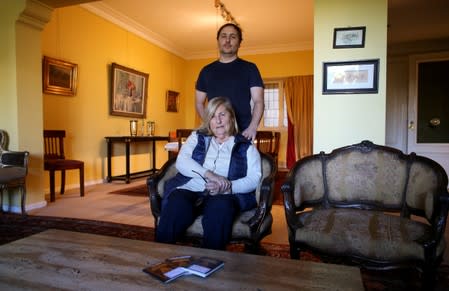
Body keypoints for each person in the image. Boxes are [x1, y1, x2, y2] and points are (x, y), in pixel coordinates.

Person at [156, 97, 262, 250]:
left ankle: (210, 261)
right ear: (208, 121)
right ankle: (160, 255)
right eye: (212, 116)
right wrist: (209, 174)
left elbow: (254, 178)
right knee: (176, 201)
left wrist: (228, 187)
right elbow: (182, 161)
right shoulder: (197, 137)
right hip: (192, 187)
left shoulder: (245, 146)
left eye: (222, 115)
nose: (217, 120)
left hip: (224, 194)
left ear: (231, 118)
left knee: (220, 208)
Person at [195, 23, 264, 141]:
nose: (227, 40)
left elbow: (258, 101)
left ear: (239, 42)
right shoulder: (206, 71)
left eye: (232, 37)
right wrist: (210, 125)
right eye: (223, 36)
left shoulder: (250, 68)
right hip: (216, 136)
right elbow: (199, 103)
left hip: (243, 134)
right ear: (218, 41)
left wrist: (252, 127)